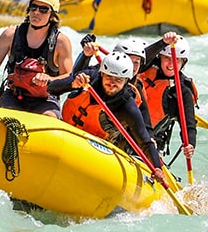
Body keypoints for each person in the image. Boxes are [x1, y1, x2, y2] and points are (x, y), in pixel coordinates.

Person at [62, 52, 165, 183]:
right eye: (109, 77)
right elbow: (53, 88)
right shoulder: (89, 78)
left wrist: (157, 167)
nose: (112, 83)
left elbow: (144, 140)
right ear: (102, 74)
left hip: (94, 146)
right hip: (66, 131)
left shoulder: (128, 106)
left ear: (126, 80)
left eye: (118, 80)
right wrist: (71, 84)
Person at [0, 0, 74, 117]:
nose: (36, 12)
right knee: (4, 116)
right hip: (14, 95)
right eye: (33, 7)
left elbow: (69, 76)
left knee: (50, 117)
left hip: (46, 99)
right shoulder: (10, 35)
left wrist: (50, 79)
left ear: (52, 15)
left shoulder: (61, 42)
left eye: (43, 9)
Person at [136, 33, 198, 158]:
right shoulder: (144, 66)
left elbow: (188, 124)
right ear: (160, 57)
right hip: (121, 128)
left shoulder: (182, 91)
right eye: (167, 58)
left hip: (150, 142)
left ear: (183, 62)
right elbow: (138, 56)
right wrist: (163, 42)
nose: (171, 64)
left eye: (177, 60)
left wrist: (190, 144)